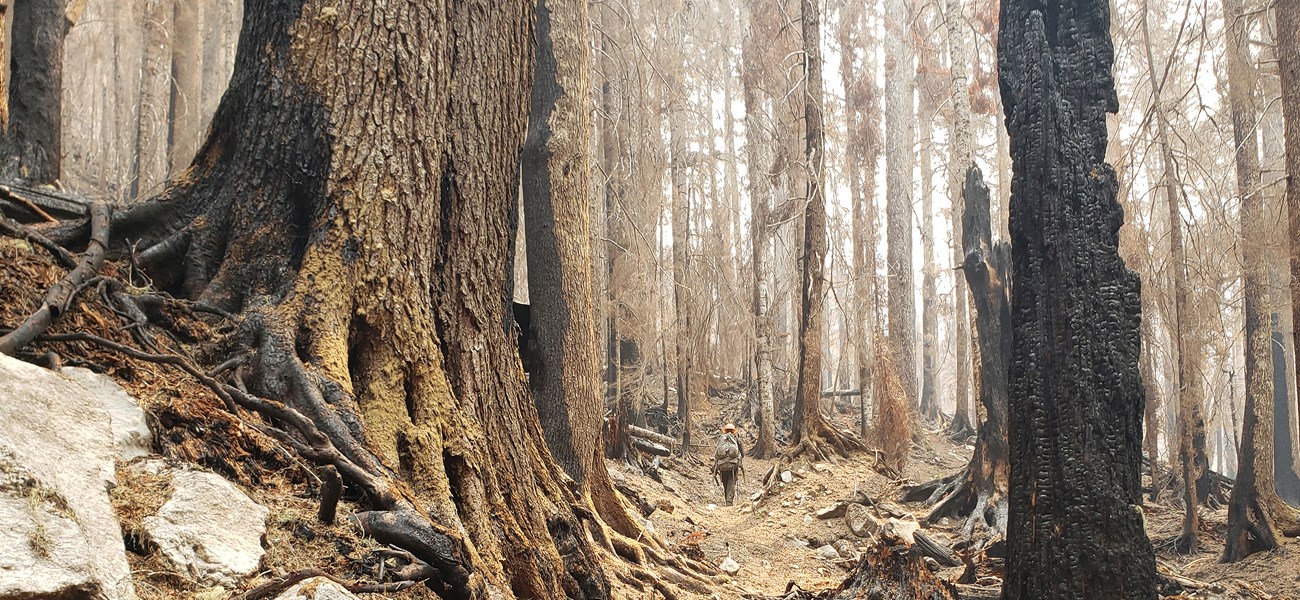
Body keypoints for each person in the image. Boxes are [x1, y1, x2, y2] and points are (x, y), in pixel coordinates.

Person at [712, 423, 744, 505]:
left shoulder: (721, 439)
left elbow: (716, 453)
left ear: (724, 430)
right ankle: (729, 501)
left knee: (725, 482)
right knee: (732, 481)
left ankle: (727, 498)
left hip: (722, 465)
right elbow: (742, 454)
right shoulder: (736, 439)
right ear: (734, 431)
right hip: (733, 465)